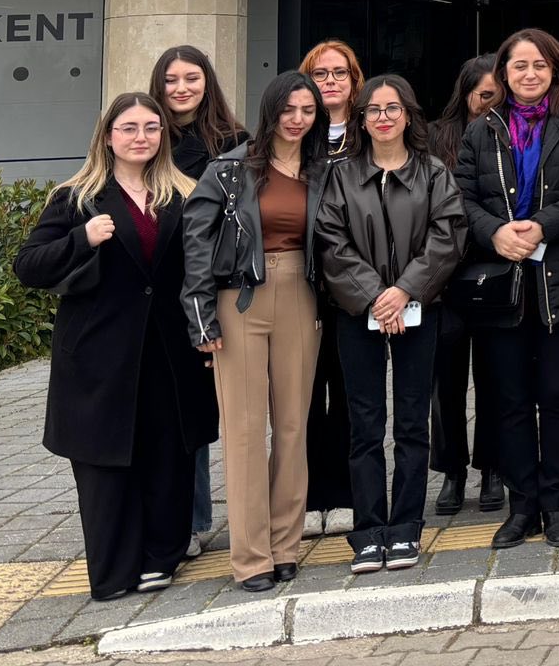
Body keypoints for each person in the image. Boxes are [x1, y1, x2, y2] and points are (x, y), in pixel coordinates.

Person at [16, 93, 216, 601]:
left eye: (151, 127)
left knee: (168, 456)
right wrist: (82, 238)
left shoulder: (185, 193)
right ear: (108, 136)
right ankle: (113, 571)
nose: (141, 137)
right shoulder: (77, 196)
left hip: (170, 353)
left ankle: (161, 556)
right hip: (101, 357)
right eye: (129, 128)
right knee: (105, 464)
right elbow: (29, 266)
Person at [181, 72, 332, 590]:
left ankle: (286, 546)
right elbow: (197, 243)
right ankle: (250, 557)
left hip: (301, 294)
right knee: (245, 431)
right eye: (288, 109)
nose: (297, 119)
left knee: (293, 427)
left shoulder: (323, 170)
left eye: (308, 111)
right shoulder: (229, 170)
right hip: (240, 298)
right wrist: (200, 317)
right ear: (270, 111)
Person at [456, 27, 559, 548]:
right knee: (510, 402)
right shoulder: (482, 129)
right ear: (503, 73)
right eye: (519, 66)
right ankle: (522, 509)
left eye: (539, 65)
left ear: (555, 70)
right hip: (502, 285)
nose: (529, 74)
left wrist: (542, 225)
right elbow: (462, 197)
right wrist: (494, 232)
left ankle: (557, 506)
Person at [317, 75, 469, 574]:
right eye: (373, 110)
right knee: (363, 425)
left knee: (411, 422)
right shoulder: (340, 175)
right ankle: (367, 532)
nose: (383, 117)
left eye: (393, 108)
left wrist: (404, 291)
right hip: (356, 313)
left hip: (419, 309)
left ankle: (405, 529)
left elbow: (447, 237)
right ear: (361, 119)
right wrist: (375, 298)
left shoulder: (434, 173)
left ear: (408, 115)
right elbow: (330, 242)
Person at [149, 45, 247, 556]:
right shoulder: (146, 135)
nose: (181, 88)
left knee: (202, 408)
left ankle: (197, 518)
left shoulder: (234, 143)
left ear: (208, 82)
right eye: (171, 80)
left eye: (192, 78)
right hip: (156, 286)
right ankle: (176, 518)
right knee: (166, 408)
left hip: (212, 289)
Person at [430, 54, 503, 516]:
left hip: (496, 270)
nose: (490, 104)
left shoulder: (511, 133)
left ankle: (493, 468)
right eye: (485, 95)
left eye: (498, 96)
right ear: (467, 91)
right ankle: (452, 471)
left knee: (496, 376)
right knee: (447, 380)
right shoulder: (437, 137)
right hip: (444, 275)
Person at [299, 39, 363, 538]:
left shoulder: (368, 132)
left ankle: (342, 493)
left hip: (356, 284)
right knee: (300, 396)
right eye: (320, 74)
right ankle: (307, 495)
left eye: (340, 73)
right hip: (301, 284)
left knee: (348, 394)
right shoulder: (298, 136)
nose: (331, 81)